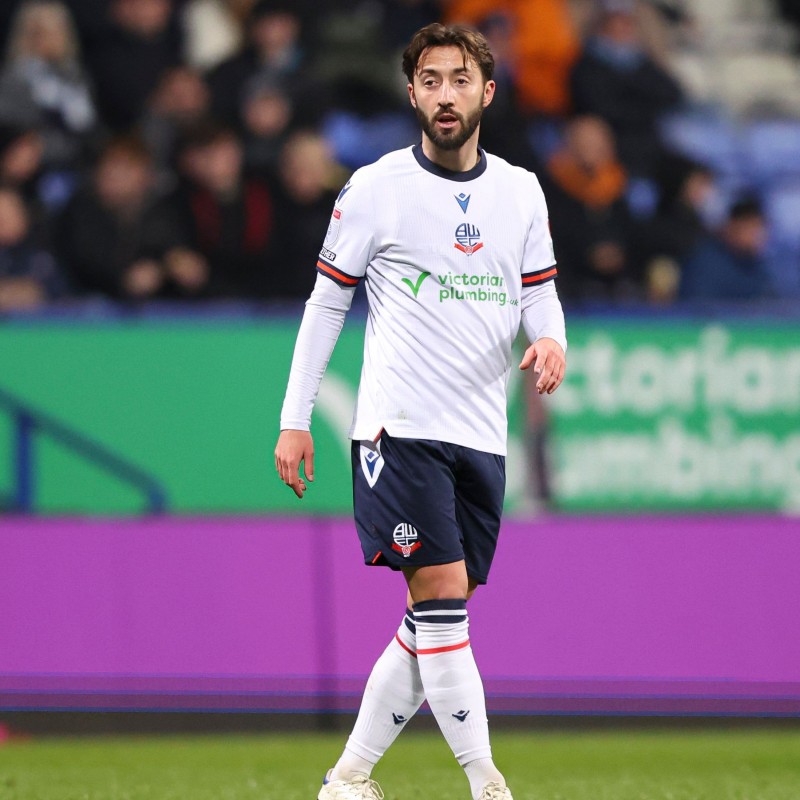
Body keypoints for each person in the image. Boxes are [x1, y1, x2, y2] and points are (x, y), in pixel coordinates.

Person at [275, 23, 567, 800]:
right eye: (431, 80)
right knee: (439, 596)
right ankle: (487, 783)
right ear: (412, 93)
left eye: (460, 80)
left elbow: (538, 290)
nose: (446, 94)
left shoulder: (520, 191)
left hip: (480, 432)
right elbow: (325, 305)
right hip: (397, 431)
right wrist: (294, 416)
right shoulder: (375, 189)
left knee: (435, 615)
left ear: (487, 92)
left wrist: (551, 341)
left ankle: (347, 779)